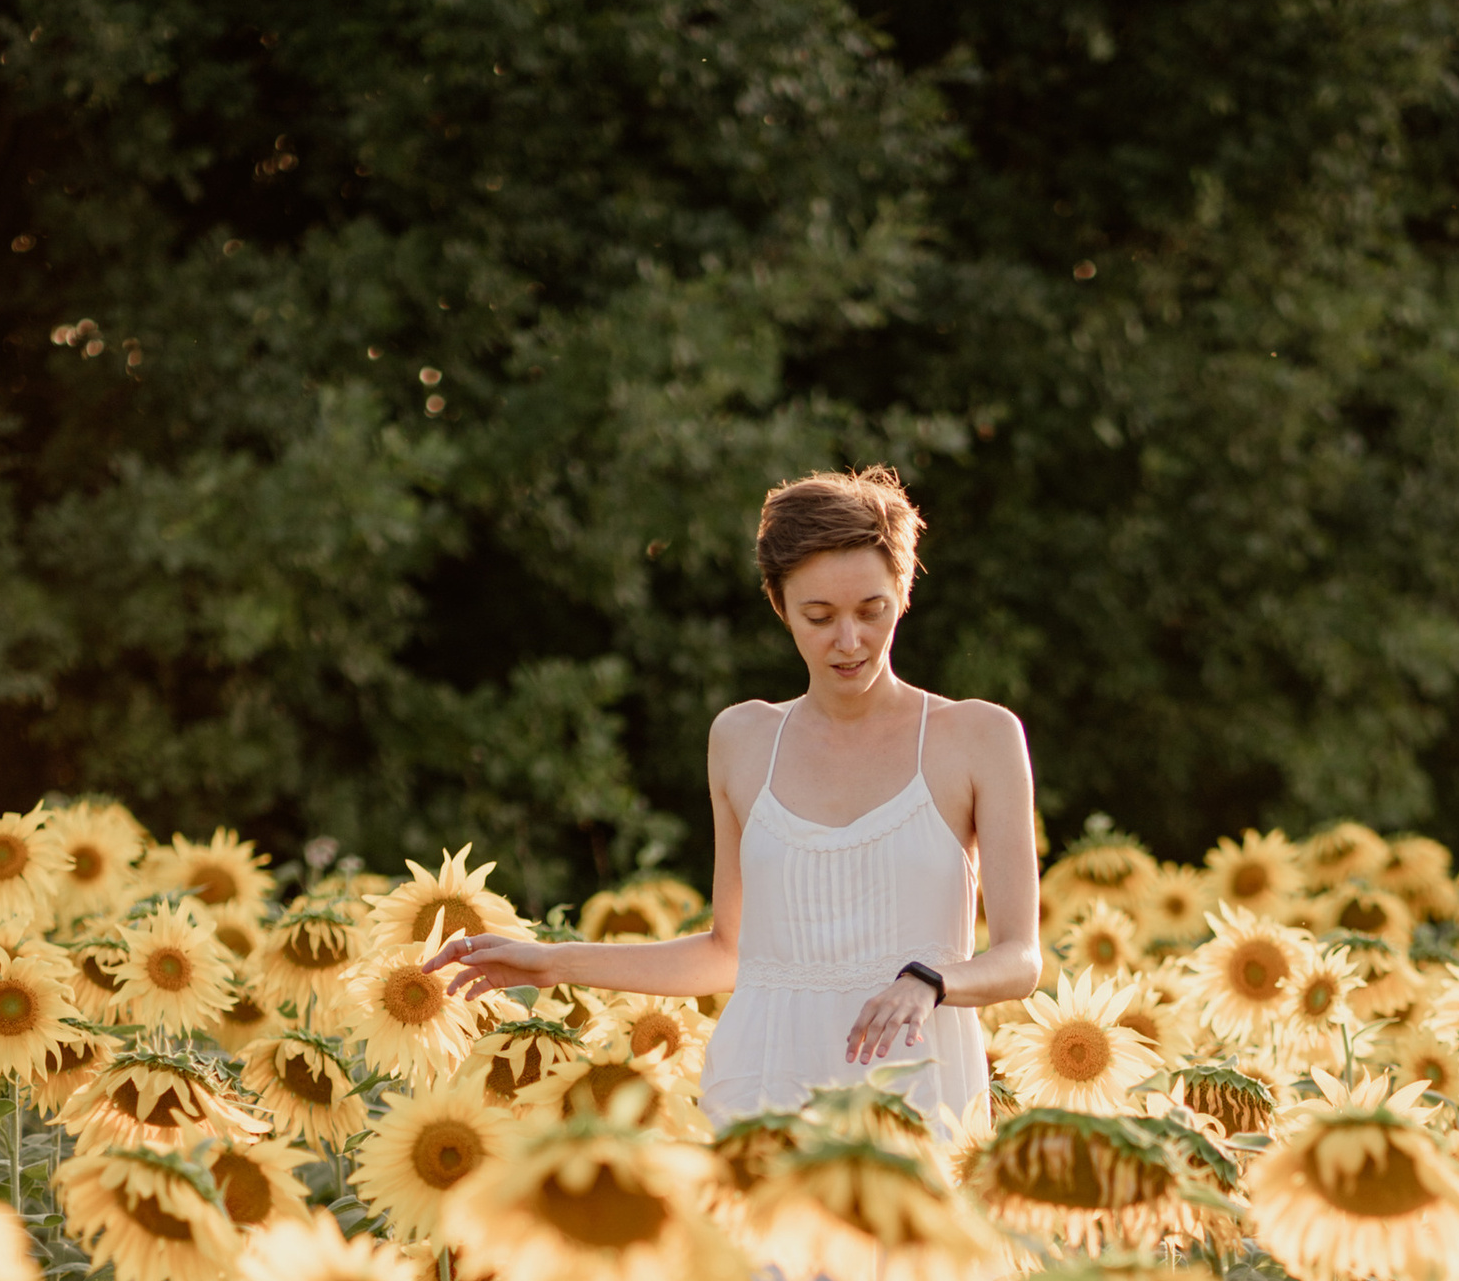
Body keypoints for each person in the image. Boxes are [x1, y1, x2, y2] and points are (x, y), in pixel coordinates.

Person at [430, 465, 1043, 1147]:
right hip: (761, 1092)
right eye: (819, 616)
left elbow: (1021, 958)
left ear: (902, 593)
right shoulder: (743, 739)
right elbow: (731, 954)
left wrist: (931, 982)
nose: (849, 641)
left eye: (871, 610)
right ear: (780, 607)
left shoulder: (979, 736)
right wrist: (553, 961)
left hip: (915, 1096)